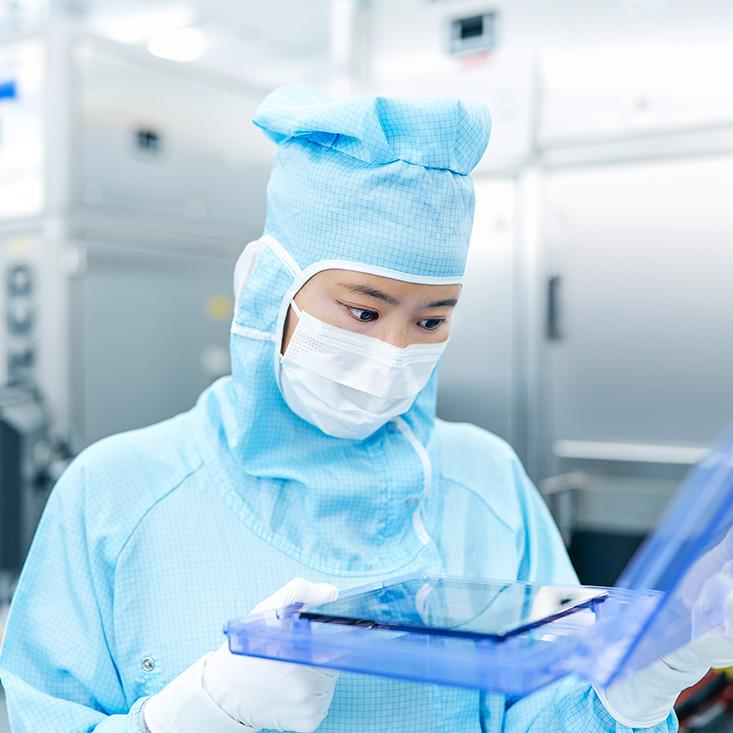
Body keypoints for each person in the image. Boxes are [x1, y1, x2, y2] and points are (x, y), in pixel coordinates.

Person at [0, 85, 729, 732]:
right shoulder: (117, 493)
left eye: (430, 319)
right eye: (359, 310)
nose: (390, 352)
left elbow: (544, 710)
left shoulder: (486, 484)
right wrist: (197, 713)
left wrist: (628, 688)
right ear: (267, 287)